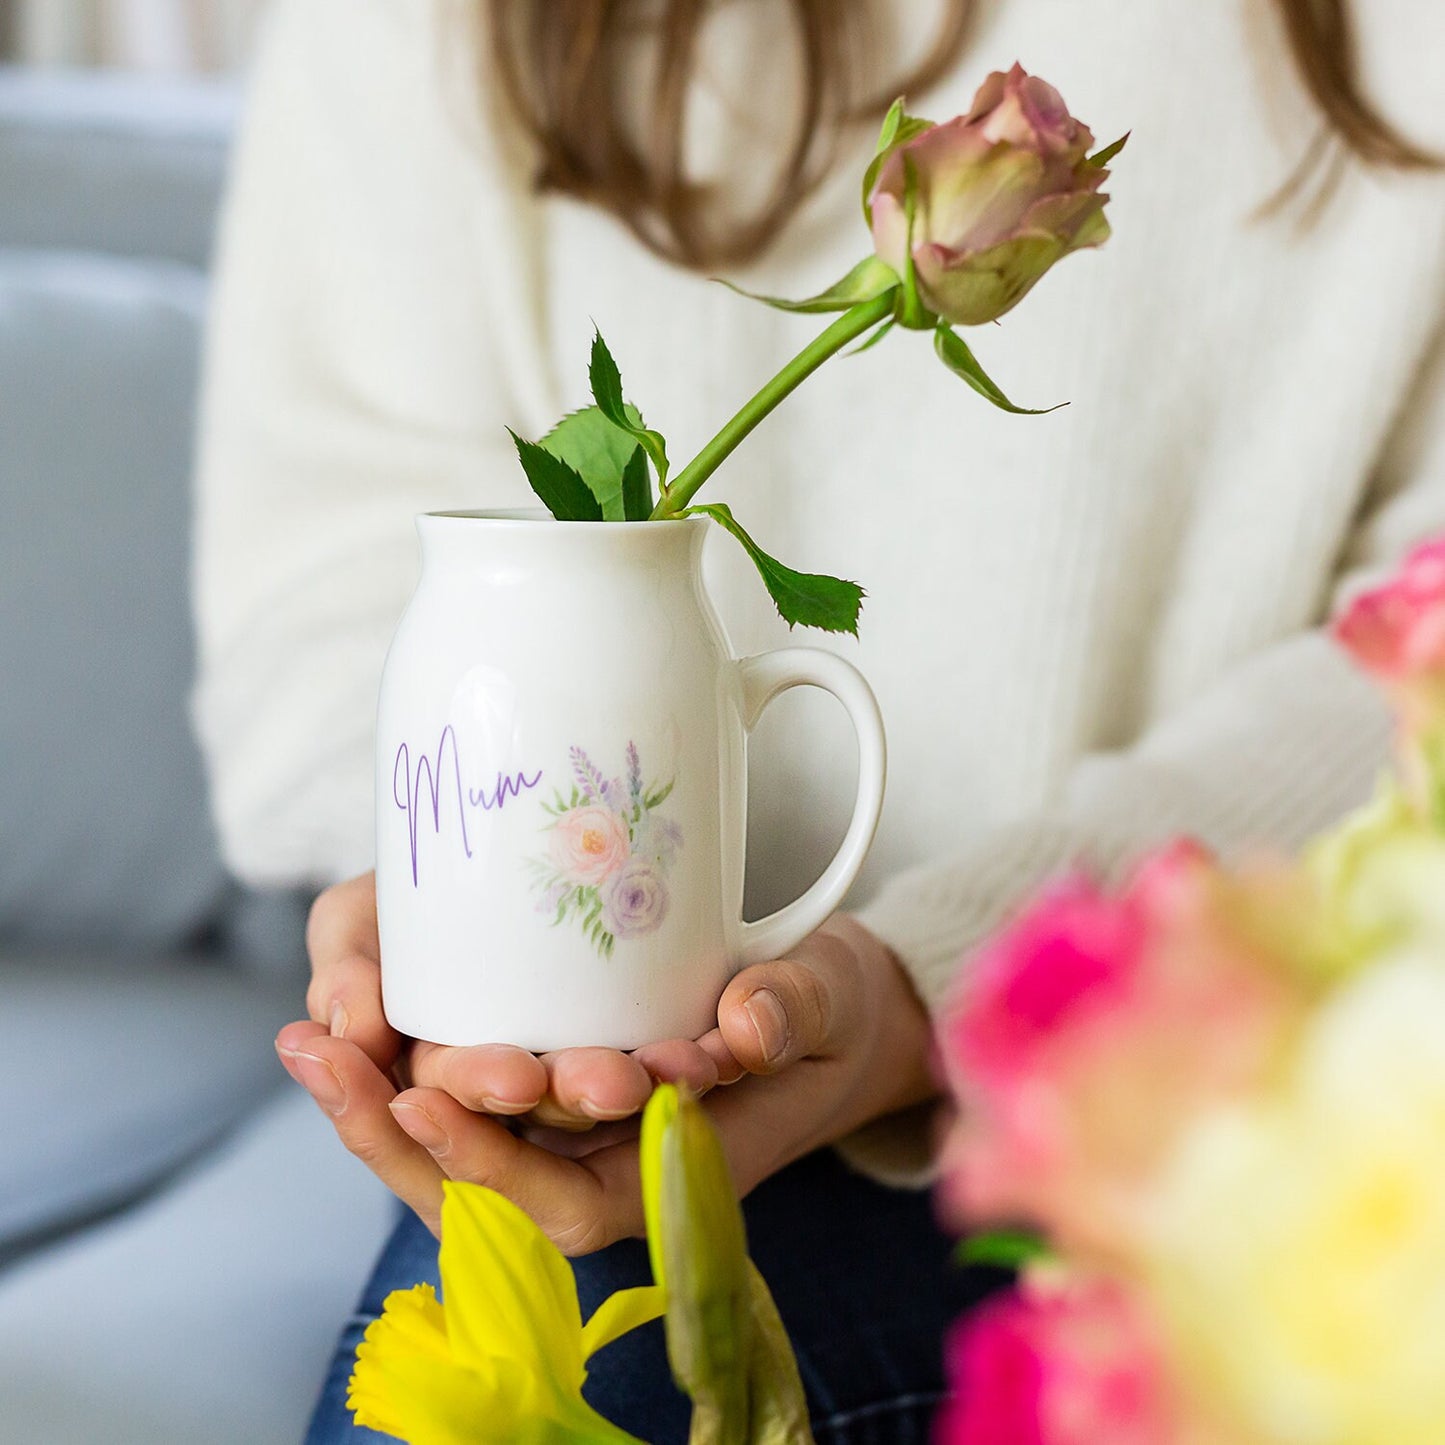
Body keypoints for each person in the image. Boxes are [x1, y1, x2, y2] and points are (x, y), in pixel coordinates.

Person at [192, 0, 1445, 1439]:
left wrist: (930, 984)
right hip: (639, 1086)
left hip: (1259, 1091)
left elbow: (1415, 650)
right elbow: (328, 581)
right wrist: (456, 909)